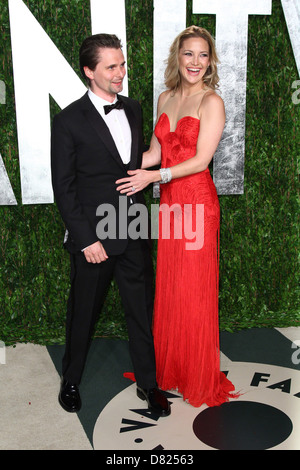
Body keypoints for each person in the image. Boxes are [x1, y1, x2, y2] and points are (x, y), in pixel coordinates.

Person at [116, 26, 237, 407]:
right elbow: (155, 151)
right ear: (178, 57)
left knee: (194, 290)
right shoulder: (165, 97)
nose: (196, 63)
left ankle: (197, 374)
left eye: (203, 55)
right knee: (171, 288)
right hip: (170, 205)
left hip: (198, 205)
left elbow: (201, 161)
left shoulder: (211, 102)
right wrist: (117, 162)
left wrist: (155, 176)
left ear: (210, 60)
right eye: (189, 54)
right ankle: (171, 369)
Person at [51, 33, 170, 416]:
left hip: (133, 228)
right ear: (89, 71)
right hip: (94, 239)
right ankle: (70, 380)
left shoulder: (133, 108)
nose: (121, 73)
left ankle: (148, 385)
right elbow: (65, 189)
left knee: (141, 311)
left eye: (122, 64)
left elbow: (135, 163)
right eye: (112, 67)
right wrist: (87, 239)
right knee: (83, 313)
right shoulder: (69, 120)